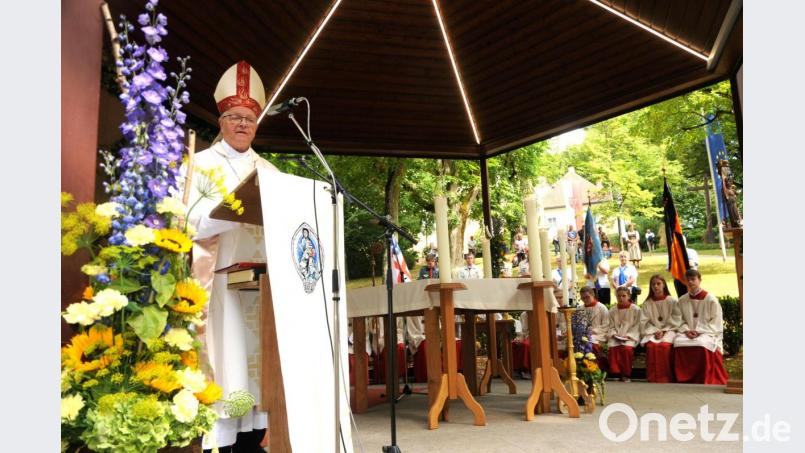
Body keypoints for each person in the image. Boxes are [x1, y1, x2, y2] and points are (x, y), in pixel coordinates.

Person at [181, 61, 277, 452]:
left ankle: (253, 441)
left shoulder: (268, 170)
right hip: (219, 286)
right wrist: (229, 211)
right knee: (229, 365)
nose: (242, 124)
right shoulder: (199, 165)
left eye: (249, 119)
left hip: (262, 289)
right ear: (220, 120)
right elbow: (184, 223)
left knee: (257, 379)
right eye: (234, 117)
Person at [670, 269, 729, 385]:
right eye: (688, 280)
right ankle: (683, 378)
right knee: (678, 343)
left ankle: (702, 378)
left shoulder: (711, 300)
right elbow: (678, 320)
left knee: (701, 344)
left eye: (693, 279)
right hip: (687, 332)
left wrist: (699, 331)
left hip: (707, 333)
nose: (690, 282)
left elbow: (716, 321)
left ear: (700, 280)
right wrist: (686, 330)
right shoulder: (682, 300)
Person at [639, 275, 677, 383]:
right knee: (651, 347)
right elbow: (643, 322)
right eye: (653, 284)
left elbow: (677, 319)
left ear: (664, 285)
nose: (656, 286)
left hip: (669, 330)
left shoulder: (672, 301)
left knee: (664, 347)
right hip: (653, 331)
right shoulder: (647, 304)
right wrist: (655, 331)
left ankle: (666, 378)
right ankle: (653, 377)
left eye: (658, 284)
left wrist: (664, 330)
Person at [607, 287, 641, 382]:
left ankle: (626, 374)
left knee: (626, 349)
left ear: (629, 296)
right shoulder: (612, 310)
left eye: (624, 296)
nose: (621, 298)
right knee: (613, 347)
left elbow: (637, 325)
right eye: (618, 296)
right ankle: (616, 373)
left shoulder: (636, 309)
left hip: (630, 337)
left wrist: (629, 335)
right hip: (616, 337)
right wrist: (614, 334)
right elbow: (610, 325)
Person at [580, 287, 610, 371]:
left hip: (598, 334)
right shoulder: (580, 309)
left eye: (587, 297)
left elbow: (606, 324)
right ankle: (583, 368)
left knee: (591, 344)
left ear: (593, 295)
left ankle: (596, 368)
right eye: (583, 298)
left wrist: (593, 331)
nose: (585, 300)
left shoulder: (601, 308)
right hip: (583, 334)